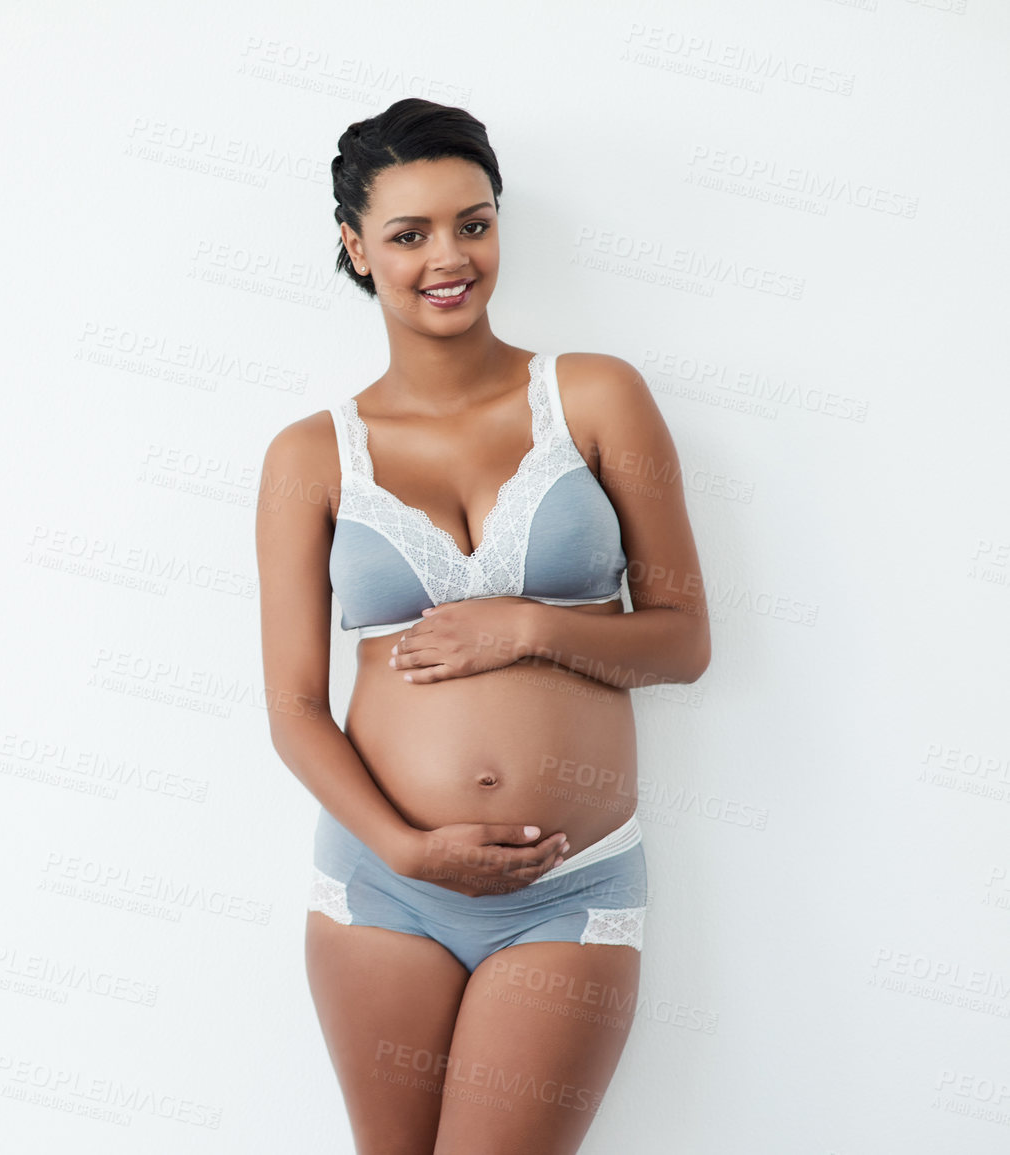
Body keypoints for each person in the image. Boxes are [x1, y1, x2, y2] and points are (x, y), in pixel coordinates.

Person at [254, 98, 711, 1154]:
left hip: (570, 884)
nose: (448, 258)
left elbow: (684, 642)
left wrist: (526, 629)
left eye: (474, 222)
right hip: (381, 887)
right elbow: (291, 710)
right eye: (408, 235)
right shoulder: (308, 457)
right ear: (355, 246)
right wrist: (410, 851)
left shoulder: (595, 397)